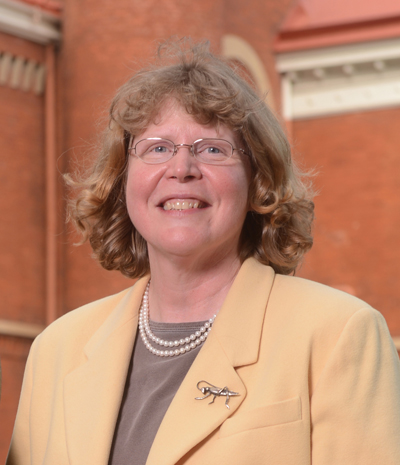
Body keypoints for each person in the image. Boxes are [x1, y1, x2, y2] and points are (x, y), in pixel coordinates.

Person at [7, 40, 400, 465]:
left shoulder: (337, 334)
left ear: (258, 182)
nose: (181, 169)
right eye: (157, 148)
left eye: (212, 149)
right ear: (122, 182)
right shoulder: (57, 349)